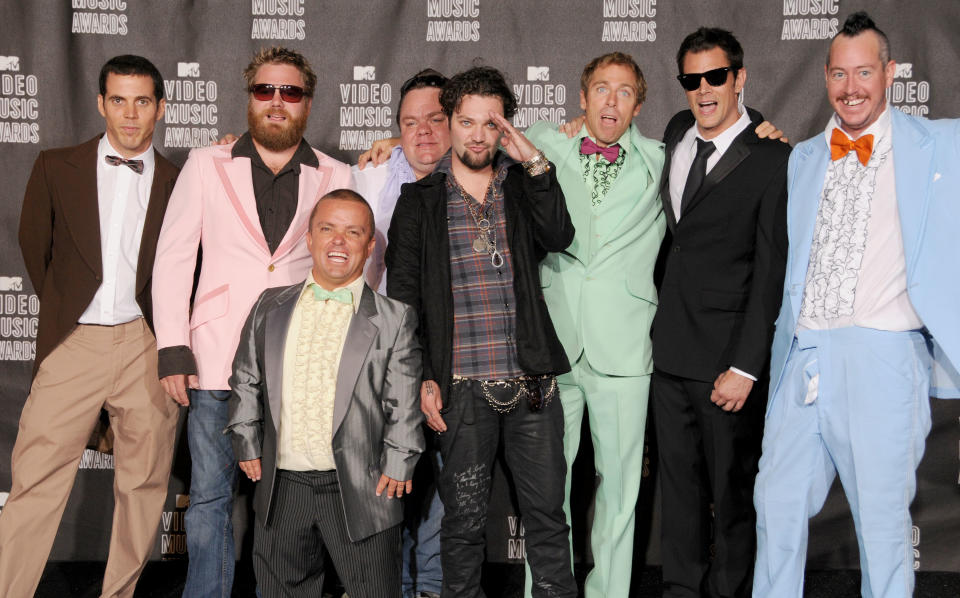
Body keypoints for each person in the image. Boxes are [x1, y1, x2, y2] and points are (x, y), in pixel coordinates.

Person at [752, 11, 960, 598]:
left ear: (890, 72)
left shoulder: (942, 144)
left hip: (883, 357)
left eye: (864, 72)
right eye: (839, 75)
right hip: (803, 357)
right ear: (825, 78)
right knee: (776, 504)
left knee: (882, 525)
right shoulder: (803, 157)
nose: (851, 88)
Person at [151, 47, 352, 597]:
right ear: (250, 98)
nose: (276, 102)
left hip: (298, 368)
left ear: (307, 103)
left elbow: (358, 265)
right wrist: (172, 346)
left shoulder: (339, 174)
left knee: (287, 504)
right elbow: (172, 257)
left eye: (290, 92)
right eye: (266, 90)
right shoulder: (205, 164)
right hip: (214, 359)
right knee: (211, 500)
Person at [385, 65, 577, 598]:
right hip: (461, 391)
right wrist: (422, 376)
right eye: (465, 121)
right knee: (463, 528)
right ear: (448, 123)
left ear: (504, 129)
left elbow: (559, 234)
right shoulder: (418, 201)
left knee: (547, 522)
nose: (475, 134)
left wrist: (535, 160)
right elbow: (402, 302)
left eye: (489, 124)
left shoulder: (521, 187)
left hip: (532, 387)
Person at [0, 55, 179, 598]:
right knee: (35, 480)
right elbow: (38, 250)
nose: (130, 114)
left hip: (146, 343)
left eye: (142, 101)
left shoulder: (179, 179)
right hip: (74, 341)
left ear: (161, 108)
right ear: (101, 103)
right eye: (118, 100)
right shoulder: (56, 166)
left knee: (144, 485)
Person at [226, 189, 423, 598]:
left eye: (353, 233)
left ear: (370, 247)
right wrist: (246, 440)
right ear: (309, 238)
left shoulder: (394, 317)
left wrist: (400, 459)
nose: (338, 241)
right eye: (327, 229)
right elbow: (246, 376)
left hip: (362, 485)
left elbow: (403, 398)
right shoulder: (269, 305)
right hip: (284, 483)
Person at [652, 28, 789, 598]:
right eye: (691, 79)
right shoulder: (677, 131)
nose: (703, 90)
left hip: (727, 361)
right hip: (669, 352)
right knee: (678, 495)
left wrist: (747, 365)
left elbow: (770, 272)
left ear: (739, 78)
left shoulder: (773, 157)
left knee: (731, 499)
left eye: (715, 77)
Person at [522, 52, 663, 598]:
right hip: (553, 344)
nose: (611, 100)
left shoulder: (661, 160)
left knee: (620, 493)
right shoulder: (545, 142)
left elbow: (723, 153)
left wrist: (763, 127)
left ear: (639, 103)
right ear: (581, 98)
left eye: (624, 91)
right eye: (601, 89)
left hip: (625, 349)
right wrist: (393, 152)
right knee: (545, 489)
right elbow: (475, 148)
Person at [354, 67, 450, 598]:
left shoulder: (483, 176)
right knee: (381, 481)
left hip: (446, 356)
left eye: (436, 119)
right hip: (377, 356)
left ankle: (429, 587)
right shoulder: (369, 175)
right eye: (409, 123)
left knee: (437, 482)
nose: (423, 133)